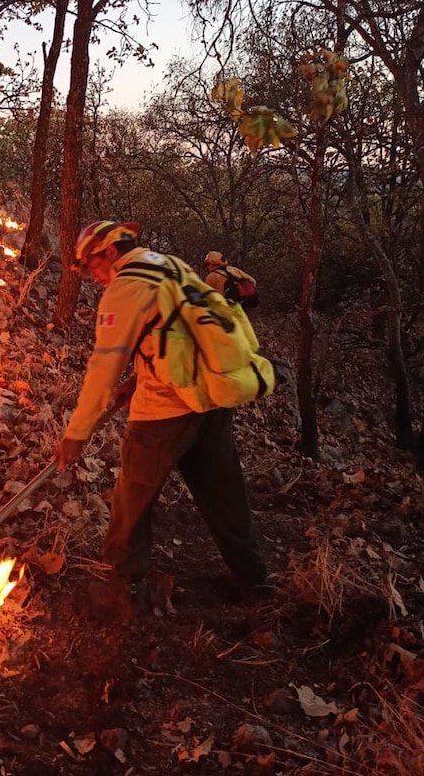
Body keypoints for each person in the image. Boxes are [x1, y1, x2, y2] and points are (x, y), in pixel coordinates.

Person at [55, 221, 269, 612]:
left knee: (131, 501)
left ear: (108, 252)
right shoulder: (169, 265)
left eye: (91, 267)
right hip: (211, 398)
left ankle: (120, 589)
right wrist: (136, 379)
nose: (94, 277)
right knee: (224, 496)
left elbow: (103, 366)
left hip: (164, 412)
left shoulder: (124, 288)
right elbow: (177, 329)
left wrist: (77, 433)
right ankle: (255, 582)